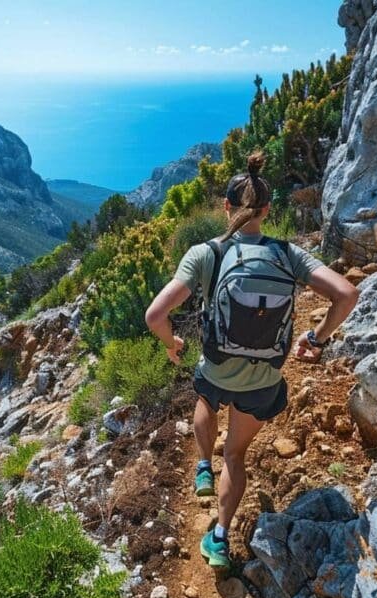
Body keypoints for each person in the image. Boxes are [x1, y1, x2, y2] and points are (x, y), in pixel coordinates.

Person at [144, 151, 359, 568]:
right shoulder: (287, 254)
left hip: (217, 366)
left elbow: (155, 315)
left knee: (205, 400)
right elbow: (347, 294)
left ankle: (202, 466)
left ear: (226, 207)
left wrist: (171, 345)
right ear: (266, 210)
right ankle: (220, 539)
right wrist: (315, 339)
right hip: (263, 381)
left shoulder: (205, 253)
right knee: (237, 456)